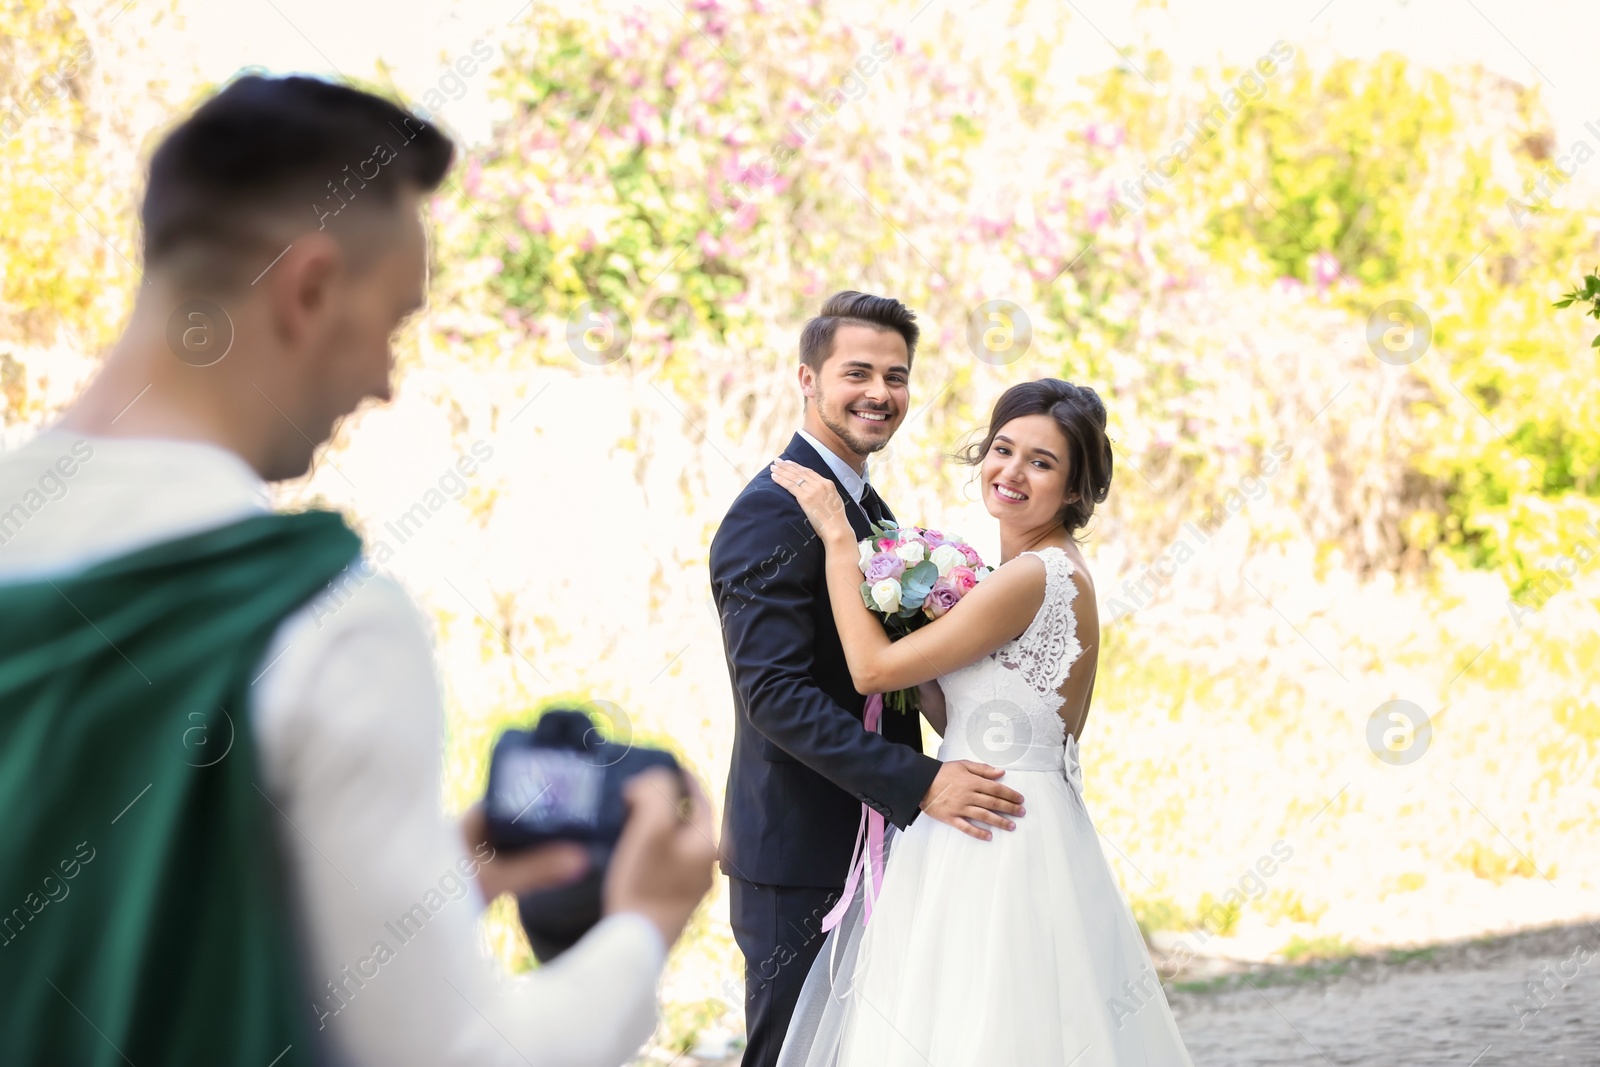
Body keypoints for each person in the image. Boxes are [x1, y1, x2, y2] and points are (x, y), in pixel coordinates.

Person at [0, 75, 716, 1067]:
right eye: (393, 320)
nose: (383, 378)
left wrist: (405, 901)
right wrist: (643, 924)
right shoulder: (321, 622)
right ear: (308, 288)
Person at [769, 378, 1195, 1065]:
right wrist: (916, 610)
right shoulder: (1034, 569)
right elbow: (957, 710)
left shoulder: (1034, 577)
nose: (1012, 472)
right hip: (991, 809)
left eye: (1042, 462)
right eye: (1003, 448)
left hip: (996, 833)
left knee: (985, 1022)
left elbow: (873, 672)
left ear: (1077, 486)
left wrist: (840, 542)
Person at [708, 291, 1027, 1067]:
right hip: (802, 852)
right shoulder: (770, 517)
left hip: (884, 845)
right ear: (807, 379)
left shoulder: (864, 508)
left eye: (897, 375)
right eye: (858, 372)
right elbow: (775, 695)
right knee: (790, 1053)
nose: (880, 393)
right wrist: (922, 782)